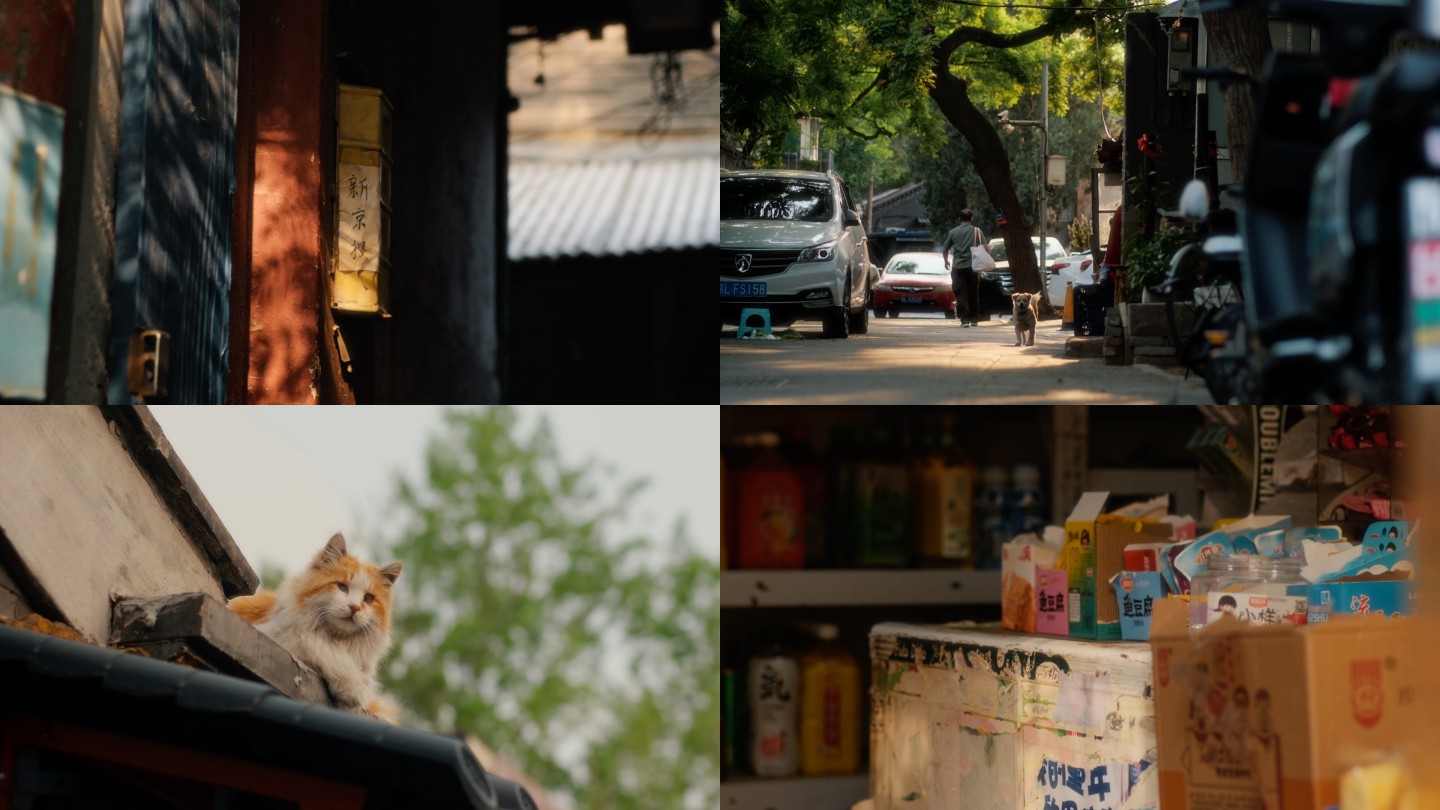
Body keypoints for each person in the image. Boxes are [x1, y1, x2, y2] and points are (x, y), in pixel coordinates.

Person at [941, 210, 986, 327]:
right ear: (971, 219)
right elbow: (986, 248)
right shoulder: (977, 231)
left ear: (959, 219)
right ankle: (974, 319)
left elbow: (945, 250)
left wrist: (946, 262)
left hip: (958, 267)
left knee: (961, 293)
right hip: (973, 267)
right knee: (973, 292)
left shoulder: (953, 232)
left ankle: (965, 320)